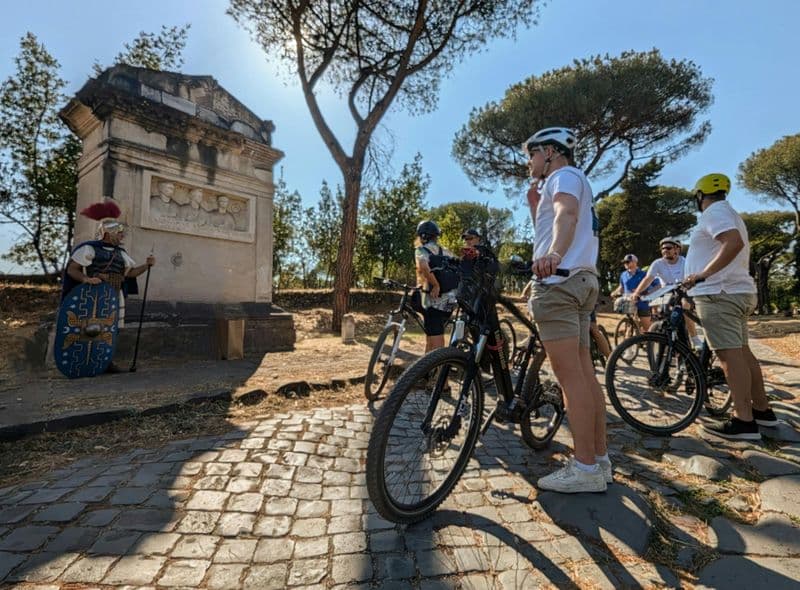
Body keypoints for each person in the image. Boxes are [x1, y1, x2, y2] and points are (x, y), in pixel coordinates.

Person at [524, 127, 608, 493]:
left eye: (531, 155)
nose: (529, 163)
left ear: (548, 152)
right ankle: (599, 459)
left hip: (560, 284)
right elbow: (555, 223)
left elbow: (566, 214)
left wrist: (554, 254)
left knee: (570, 379)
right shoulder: (572, 180)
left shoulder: (564, 176)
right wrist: (533, 208)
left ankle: (585, 468)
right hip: (581, 281)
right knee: (585, 376)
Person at [683, 173, 778, 440]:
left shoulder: (714, 213)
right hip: (735, 291)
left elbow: (732, 242)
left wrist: (702, 274)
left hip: (719, 293)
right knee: (744, 354)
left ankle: (743, 421)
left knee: (728, 357)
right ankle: (762, 411)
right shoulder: (729, 212)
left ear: (700, 196)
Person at [64, 201, 156, 373]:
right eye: (119, 233)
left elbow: (130, 274)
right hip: (93, 294)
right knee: (89, 327)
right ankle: (84, 361)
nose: (122, 236)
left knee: (111, 328)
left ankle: (105, 362)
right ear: (108, 232)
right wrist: (86, 279)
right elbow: (72, 269)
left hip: (115, 293)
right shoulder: (90, 249)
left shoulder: (121, 254)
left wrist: (147, 265)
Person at [631, 237, 703, 348]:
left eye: (668, 248)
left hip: (684, 292)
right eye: (662, 248)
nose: (665, 250)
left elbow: (693, 277)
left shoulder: (686, 262)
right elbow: (647, 279)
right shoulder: (657, 263)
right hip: (667, 293)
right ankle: (662, 335)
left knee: (684, 305)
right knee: (659, 311)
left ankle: (694, 338)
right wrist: (636, 293)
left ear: (677, 250)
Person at [414, 220, 457, 353]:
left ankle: (439, 369)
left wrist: (436, 285)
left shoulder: (421, 250)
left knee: (436, 338)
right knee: (431, 335)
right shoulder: (446, 251)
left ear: (423, 236)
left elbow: (424, 267)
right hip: (451, 300)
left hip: (435, 300)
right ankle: (427, 370)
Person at [611, 254, 653, 332]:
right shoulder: (623, 274)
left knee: (647, 328)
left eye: (627, 262)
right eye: (624, 262)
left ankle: (650, 341)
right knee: (630, 323)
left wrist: (644, 292)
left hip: (642, 303)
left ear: (635, 262)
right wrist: (615, 292)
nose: (625, 264)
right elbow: (621, 287)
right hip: (628, 302)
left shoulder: (643, 274)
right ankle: (631, 338)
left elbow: (650, 286)